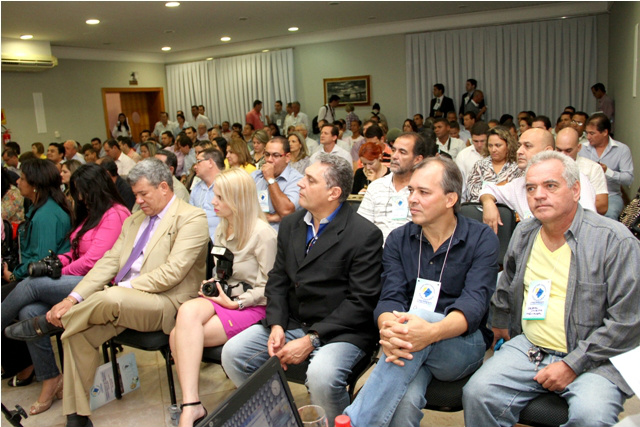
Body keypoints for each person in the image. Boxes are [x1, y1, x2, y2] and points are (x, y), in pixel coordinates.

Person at [6, 159, 210, 427]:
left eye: (143, 194)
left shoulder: (192, 218)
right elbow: (109, 263)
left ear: (163, 187)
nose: (137, 200)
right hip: (120, 303)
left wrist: (119, 289)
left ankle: (47, 323)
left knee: (109, 297)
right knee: (76, 334)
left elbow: (172, 273)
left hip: (166, 303)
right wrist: (71, 299)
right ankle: (77, 417)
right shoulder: (135, 219)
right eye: (134, 194)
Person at [463, 151, 640, 427]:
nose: (538, 195)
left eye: (550, 186)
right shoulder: (525, 233)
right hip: (531, 346)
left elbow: (627, 323)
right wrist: (499, 322)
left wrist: (572, 364)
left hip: (595, 357)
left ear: (576, 189)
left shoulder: (614, 241)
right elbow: (507, 286)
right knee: (477, 393)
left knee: (591, 417)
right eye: (531, 188)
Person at [222, 154, 383, 423]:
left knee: (321, 375)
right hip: (294, 321)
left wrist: (312, 339)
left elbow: (361, 302)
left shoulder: (364, 234)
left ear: (334, 192)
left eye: (310, 180)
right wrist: (276, 324)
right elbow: (277, 280)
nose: (300, 185)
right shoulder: (291, 224)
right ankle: (277, 418)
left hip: (342, 330)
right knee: (234, 354)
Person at [345, 157, 499, 427]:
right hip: (408, 346)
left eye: (423, 192)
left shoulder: (481, 238)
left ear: (450, 199)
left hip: (462, 343)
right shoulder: (397, 239)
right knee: (403, 401)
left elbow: (474, 306)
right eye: (411, 191)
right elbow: (389, 298)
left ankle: (355, 423)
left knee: (417, 316)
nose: (412, 199)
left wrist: (428, 331)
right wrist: (389, 328)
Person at [2, 164, 129, 416]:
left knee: (32, 284)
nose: (77, 198)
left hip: (100, 283)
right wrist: (57, 262)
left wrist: (60, 272)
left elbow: (95, 260)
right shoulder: (92, 213)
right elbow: (74, 249)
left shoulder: (116, 214)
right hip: (78, 278)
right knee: (29, 311)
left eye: (80, 192)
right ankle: (50, 378)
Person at [170, 169, 277, 427]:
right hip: (227, 296)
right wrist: (215, 283)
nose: (212, 202)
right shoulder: (223, 228)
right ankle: (191, 403)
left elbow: (273, 287)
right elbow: (223, 270)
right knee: (186, 311)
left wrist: (238, 302)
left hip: (253, 304)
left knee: (177, 337)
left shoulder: (263, 234)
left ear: (237, 200)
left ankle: (191, 407)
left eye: (219, 197)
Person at [479, 128, 597, 233]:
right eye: (520, 145)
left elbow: (590, 224)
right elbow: (488, 189)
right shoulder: (519, 183)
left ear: (547, 151)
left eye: (527, 146)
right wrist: (488, 203)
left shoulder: (573, 176)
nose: (519, 151)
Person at [2, 159, 71, 286]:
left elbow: (40, 260)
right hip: (39, 278)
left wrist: (14, 276)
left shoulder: (46, 214)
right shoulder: (43, 208)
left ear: (35, 185)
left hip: (46, 280)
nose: (17, 182)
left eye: (22, 179)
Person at [358, 132, 436, 242]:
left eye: (402, 152)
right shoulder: (376, 187)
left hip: (411, 253)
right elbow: (361, 228)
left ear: (417, 159)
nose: (394, 156)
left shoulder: (426, 191)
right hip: (376, 253)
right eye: (394, 150)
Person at [578, 113, 634, 220]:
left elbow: (628, 179)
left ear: (605, 132)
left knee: (609, 217)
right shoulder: (581, 148)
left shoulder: (622, 150)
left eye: (592, 133)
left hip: (611, 196)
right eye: (587, 133)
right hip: (585, 194)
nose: (588, 137)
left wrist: (607, 171)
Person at [251, 137, 303, 230]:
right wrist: (273, 217)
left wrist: (270, 179)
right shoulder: (256, 176)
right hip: (254, 233)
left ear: (287, 157)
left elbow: (285, 211)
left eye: (275, 155)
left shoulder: (297, 180)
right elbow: (240, 206)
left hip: (281, 237)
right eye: (267, 154)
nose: (269, 160)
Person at [555, 127, 609, 215]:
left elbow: (602, 206)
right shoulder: (548, 168)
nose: (563, 155)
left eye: (568, 150)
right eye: (559, 150)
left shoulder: (593, 168)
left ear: (579, 147)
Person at [466, 126, 522, 202]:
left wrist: (488, 190)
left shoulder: (517, 167)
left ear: (508, 145)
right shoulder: (480, 165)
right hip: (480, 209)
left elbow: (516, 193)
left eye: (498, 145)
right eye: (490, 146)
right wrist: (500, 188)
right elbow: (472, 191)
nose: (493, 150)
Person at [189, 148, 224, 242]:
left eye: (198, 162)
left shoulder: (227, 185)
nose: (195, 167)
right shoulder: (196, 188)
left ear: (210, 162)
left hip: (222, 241)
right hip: (198, 241)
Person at [455, 122, 490, 202]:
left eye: (482, 141)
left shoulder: (495, 153)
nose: (479, 145)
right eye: (475, 141)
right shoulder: (463, 155)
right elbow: (461, 184)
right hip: (471, 202)